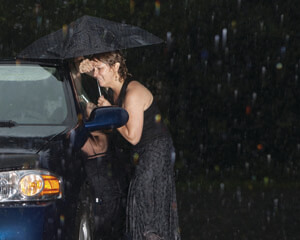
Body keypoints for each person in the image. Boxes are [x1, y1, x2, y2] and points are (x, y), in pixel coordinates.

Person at [79, 51, 181, 240]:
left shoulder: (133, 93)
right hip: (139, 154)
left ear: (115, 67)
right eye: (93, 70)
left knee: (145, 206)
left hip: (154, 151)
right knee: (139, 207)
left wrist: (110, 112)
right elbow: (116, 131)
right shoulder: (112, 92)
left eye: (99, 68)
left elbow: (133, 136)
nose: (95, 74)